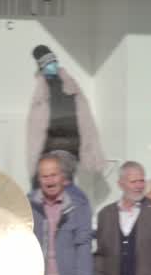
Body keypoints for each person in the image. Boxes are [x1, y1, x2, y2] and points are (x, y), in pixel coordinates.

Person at [26, 45, 105, 185]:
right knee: (46, 186)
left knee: (65, 185)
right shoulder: (41, 89)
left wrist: (87, 148)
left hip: (69, 146)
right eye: (49, 63)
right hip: (49, 147)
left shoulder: (69, 84)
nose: (53, 65)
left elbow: (84, 117)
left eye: (54, 61)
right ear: (42, 66)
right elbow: (36, 126)